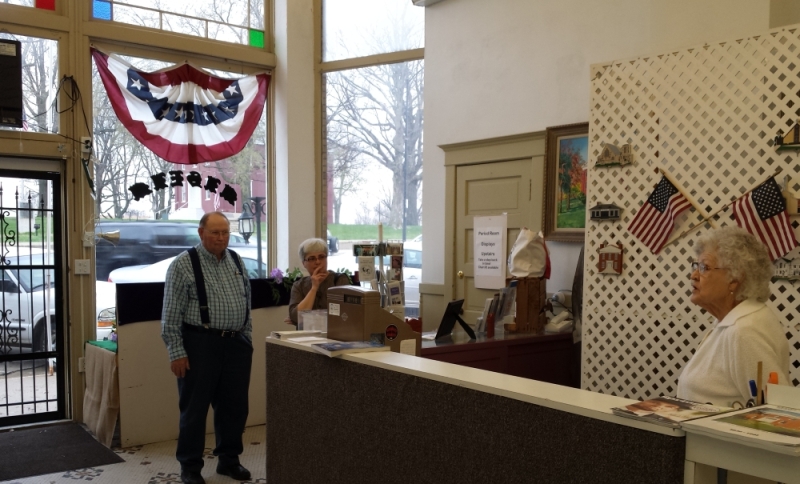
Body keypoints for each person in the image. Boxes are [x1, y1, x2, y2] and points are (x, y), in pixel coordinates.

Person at [161, 212, 253, 484]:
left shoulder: (236, 260)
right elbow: (170, 315)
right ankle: (190, 467)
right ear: (201, 232)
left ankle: (229, 460)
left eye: (225, 232)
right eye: (215, 232)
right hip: (200, 344)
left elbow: (246, 301)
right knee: (195, 409)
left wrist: (247, 338)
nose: (221, 238)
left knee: (234, 407)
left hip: (236, 344)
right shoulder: (183, 264)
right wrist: (177, 352)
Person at [677, 226, 790, 407]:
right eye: (696, 266)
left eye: (704, 267)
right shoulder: (733, 320)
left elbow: (777, 410)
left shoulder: (743, 330)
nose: (693, 275)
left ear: (734, 280)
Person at [289, 237, 351, 325]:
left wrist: (309, 318)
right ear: (304, 263)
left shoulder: (339, 280)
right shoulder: (299, 285)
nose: (318, 262)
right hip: (306, 333)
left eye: (321, 257)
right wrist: (314, 288)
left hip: (334, 332)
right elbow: (296, 317)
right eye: (312, 258)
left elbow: (344, 314)